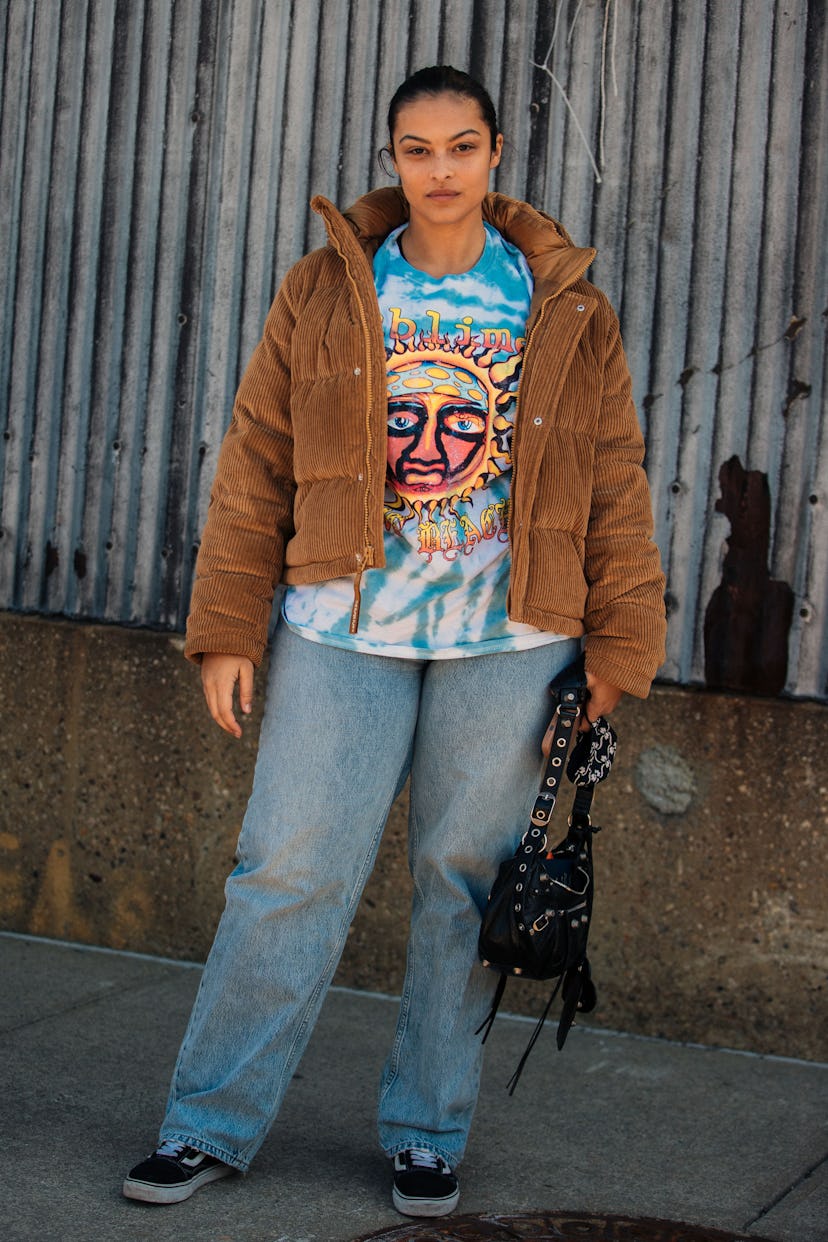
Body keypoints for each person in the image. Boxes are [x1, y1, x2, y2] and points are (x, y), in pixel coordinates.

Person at [123, 65, 666, 1217]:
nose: (439, 171)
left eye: (461, 146)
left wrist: (620, 647)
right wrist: (228, 628)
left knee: (461, 889)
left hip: (510, 639)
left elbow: (614, 477)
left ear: (498, 152)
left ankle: (427, 1128)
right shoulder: (331, 289)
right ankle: (207, 1123)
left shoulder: (559, 301)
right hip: (341, 627)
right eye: (417, 150)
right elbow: (257, 455)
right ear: (392, 158)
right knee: (287, 873)